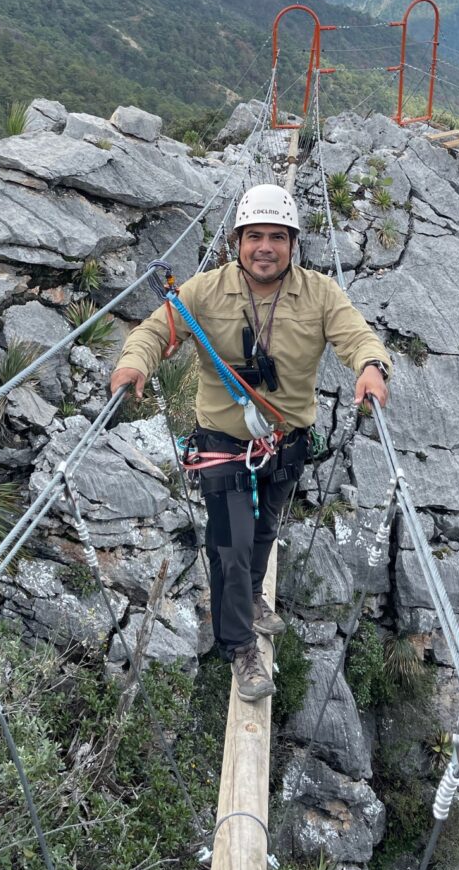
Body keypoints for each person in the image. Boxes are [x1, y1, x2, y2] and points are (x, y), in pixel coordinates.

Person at [110, 184, 391, 701]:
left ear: (293, 243)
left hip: (286, 443)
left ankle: (253, 601)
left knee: (264, 532)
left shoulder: (320, 293)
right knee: (230, 549)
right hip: (221, 442)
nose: (266, 247)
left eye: (277, 237)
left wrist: (371, 367)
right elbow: (157, 331)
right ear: (236, 242)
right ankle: (240, 647)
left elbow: (355, 335)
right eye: (255, 236)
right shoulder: (203, 292)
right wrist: (134, 363)